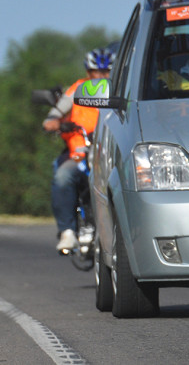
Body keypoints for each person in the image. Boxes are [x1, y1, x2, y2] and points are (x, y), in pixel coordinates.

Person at [43, 48, 116, 251]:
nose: (101, 76)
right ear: (88, 71)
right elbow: (53, 116)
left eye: (106, 71)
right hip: (80, 152)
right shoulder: (77, 89)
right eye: (96, 71)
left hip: (109, 151)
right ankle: (67, 232)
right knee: (62, 177)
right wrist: (56, 123)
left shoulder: (120, 88)